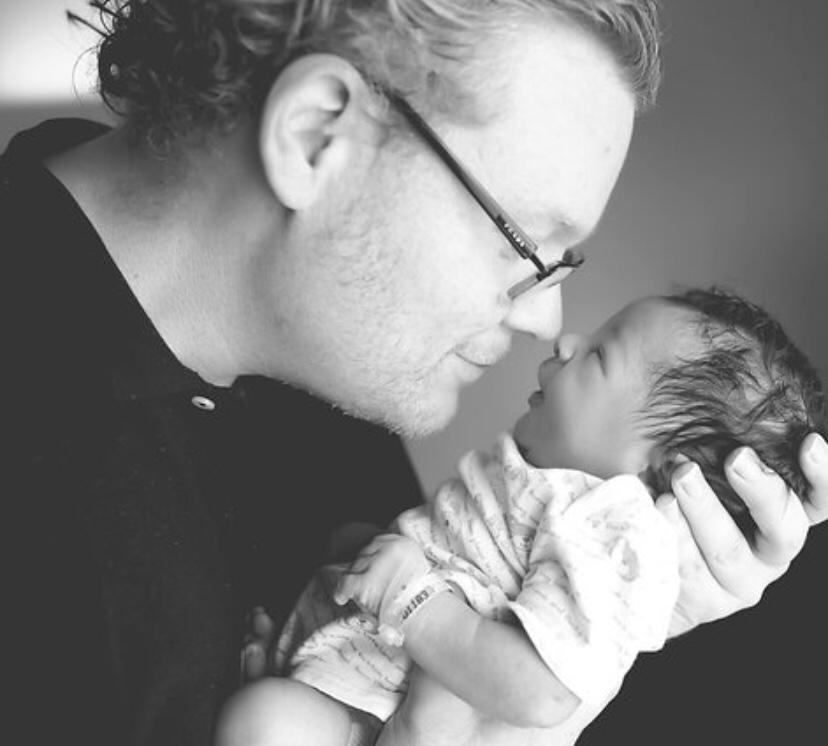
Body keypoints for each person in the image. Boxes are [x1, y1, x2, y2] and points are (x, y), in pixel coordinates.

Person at [4, 2, 827, 745]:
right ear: (315, 136)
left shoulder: (333, 378)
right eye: (525, 243)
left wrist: (626, 626)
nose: (546, 322)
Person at [215, 287, 826, 745]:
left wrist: (412, 598)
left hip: (382, 718)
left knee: (263, 724)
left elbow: (540, 692)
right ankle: (302, 665)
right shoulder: (552, 486)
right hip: (372, 672)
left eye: (599, 356)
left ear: (660, 466)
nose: (566, 342)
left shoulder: (616, 529)